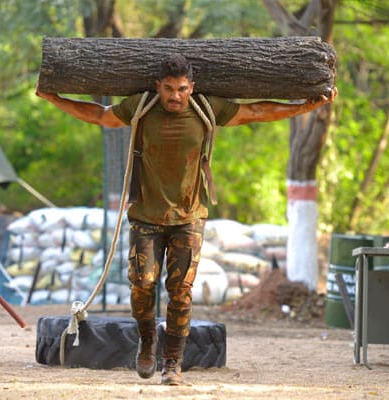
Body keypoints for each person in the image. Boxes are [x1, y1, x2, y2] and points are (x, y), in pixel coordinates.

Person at [36, 53, 336, 385]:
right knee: (141, 284)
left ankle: (172, 362)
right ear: (158, 87)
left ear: (191, 87)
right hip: (145, 216)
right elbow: (101, 116)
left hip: (189, 217)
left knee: (181, 291)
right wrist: (55, 99)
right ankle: (147, 341)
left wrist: (304, 107)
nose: (175, 96)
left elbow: (256, 112)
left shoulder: (207, 108)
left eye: (181, 88)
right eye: (168, 89)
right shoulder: (142, 107)